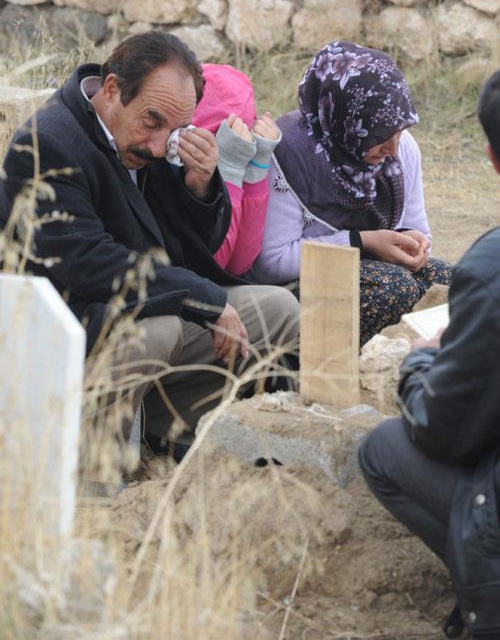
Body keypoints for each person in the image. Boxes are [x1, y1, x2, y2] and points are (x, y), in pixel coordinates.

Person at [0, 31, 299, 458]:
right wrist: (201, 297)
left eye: (176, 129)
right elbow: (89, 262)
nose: (161, 144)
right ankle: (92, 460)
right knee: (160, 328)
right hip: (69, 326)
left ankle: (164, 424)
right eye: (152, 121)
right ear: (112, 90)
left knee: (280, 312)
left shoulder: (145, 141)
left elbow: (190, 251)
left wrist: (199, 187)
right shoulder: (47, 143)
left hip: (141, 307)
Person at [358, 71, 500, 639]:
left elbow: (443, 432)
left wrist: (421, 361)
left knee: (384, 448)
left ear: (490, 157)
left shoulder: (489, 271)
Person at [252, 40, 451, 345]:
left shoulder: (401, 150)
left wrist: (415, 242)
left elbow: (415, 224)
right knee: (395, 289)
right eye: (379, 135)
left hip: (374, 265)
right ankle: (332, 370)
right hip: (294, 288)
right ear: (344, 120)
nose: (393, 148)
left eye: (398, 132)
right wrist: (363, 241)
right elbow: (270, 264)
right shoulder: (290, 155)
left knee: (461, 283)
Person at [192, 63, 281, 276]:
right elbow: (215, 267)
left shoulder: (240, 152)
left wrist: (257, 163)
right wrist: (229, 167)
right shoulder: (174, 163)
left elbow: (240, 264)